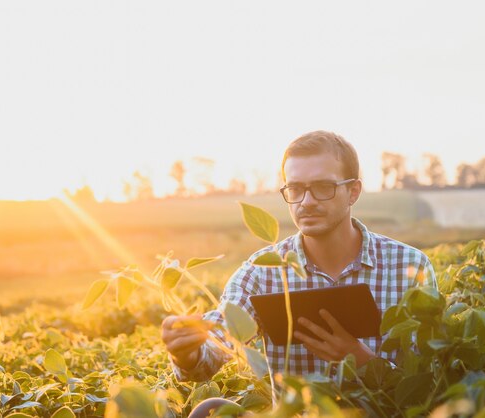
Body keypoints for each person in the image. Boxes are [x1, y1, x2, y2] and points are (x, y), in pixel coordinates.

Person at [161, 130, 437, 417]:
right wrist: (187, 350)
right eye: (295, 189)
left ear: (353, 191)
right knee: (209, 410)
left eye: (322, 187)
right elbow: (215, 346)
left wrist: (361, 361)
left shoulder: (409, 266)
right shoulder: (262, 271)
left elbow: (428, 382)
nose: (306, 201)